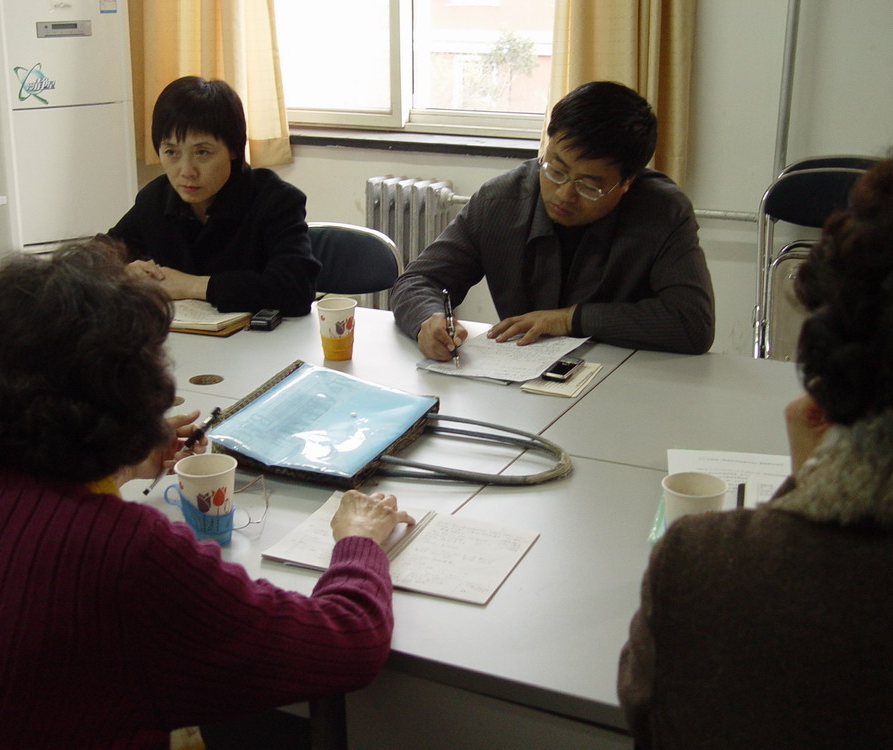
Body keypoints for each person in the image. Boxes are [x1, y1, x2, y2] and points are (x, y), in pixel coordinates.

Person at [0, 240, 413, 749]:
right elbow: (345, 645)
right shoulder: (126, 554)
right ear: (134, 391)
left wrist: (121, 462)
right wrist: (359, 541)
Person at [618, 158, 893, 748]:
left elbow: (646, 712)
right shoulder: (503, 198)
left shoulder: (706, 566)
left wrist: (814, 480)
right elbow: (428, 276)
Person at [390, 81, 715, 359]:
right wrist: (428, 320)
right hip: (524, 379)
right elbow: (419, 281)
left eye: (589, 185)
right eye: (556, 170)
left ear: (627, 181)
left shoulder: (661, 212)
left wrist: (570, 319)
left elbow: (692, 322)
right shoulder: (500, 201)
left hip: (629, 380)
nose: (564, 194)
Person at [106, 76, 319, 316]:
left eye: (202, 153)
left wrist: (193, 286)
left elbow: (296, 289)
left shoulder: (275, 201)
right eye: (171, 152)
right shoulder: (156, 198)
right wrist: (123, 272)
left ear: (234, 150)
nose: (187, 171)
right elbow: (92, 260)